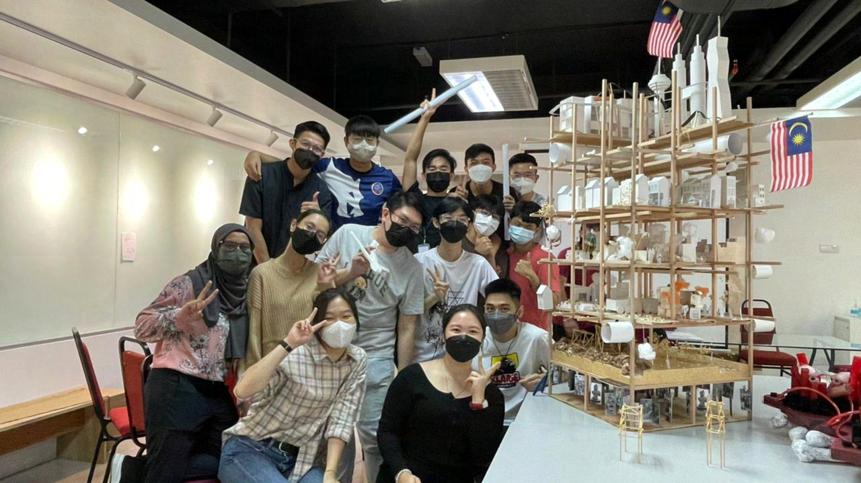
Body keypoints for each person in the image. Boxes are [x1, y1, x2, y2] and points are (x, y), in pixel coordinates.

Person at [115, 224, 255, 483]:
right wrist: (179, 317)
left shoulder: (245, 293)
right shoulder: (189, 283)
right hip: (176, 385)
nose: (238, 253)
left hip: (215, 389)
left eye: (245, 248)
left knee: (233, 459)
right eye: (230, 246)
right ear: (215, 248)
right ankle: (147, 470)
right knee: (166, 472)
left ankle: (134, 469)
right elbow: (142, 326)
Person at [315, 190, 425, 483]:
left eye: (414, 227)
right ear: (386, 213)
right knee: (329, 439)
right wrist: (351, 272)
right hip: (330, 351)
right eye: (403, 220)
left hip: (376, 358)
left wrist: (402, 374)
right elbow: (317, 285)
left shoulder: (413, 267)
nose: (407, 230)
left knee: (377, 439)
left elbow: (407, 326)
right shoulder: (348, 234)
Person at [219, 288, 367, 483]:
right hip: (252, 449)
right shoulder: (297, 353)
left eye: (346, 316)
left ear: (356, 319)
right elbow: (242, 390)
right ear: (317, 323)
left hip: (302, 462)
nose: (339, 324)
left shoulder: (357, 359)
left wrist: (330, 474)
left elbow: (342, 418)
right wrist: (288, 343)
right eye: (329, 318)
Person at [377, 304, 504, 483]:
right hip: (404, 477)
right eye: (456, 329)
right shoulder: (411, 378)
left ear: (482, 339)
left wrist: (478, 402)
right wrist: (401, 473)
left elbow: (483, 458)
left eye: (473, 331)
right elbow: (387, 431)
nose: (463, 337)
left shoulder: (491, 395)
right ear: (444, 335)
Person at [246, 115, 402, 230]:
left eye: (369, 140)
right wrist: (257, 155)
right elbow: (292, 165)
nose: (363, 144)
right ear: (346, 141)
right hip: (330, 246)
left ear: (377, 143)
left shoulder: (388, 178)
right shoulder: (328, 166)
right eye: (357, 139)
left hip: (369, 248)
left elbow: (403, 204)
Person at [244, 209, 339, 370]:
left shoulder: (320, 274)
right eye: (309, 227)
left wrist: (326, 285)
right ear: (294, 225)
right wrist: (253, 372)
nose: (312, 235)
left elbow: (330, 324)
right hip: (270, 367)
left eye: (320, 235)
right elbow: (253, 331)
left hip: (306, 369)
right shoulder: (262, 274)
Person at [414, 197, 498, 362]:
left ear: (469, 225)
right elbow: (408, 314)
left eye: (462, 219)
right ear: (436, 222)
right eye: (448, 218)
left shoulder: (478, 264)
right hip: (425, 355)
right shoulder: (419, 262)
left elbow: (498, 297)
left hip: (464, 354)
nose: (455, 223)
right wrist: (434, 297)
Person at [240, 121, 334, 263]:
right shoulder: (261, 174)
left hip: (290, 267)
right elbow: (252, 226)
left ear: (322, 154)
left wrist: (317, 217)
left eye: (317, 148)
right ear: (293, 143)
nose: (310, 151)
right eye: (305, 144)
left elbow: (321, 238)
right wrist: (268, 269)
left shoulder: (321, 191)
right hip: (252, 262)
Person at [476, 278, 550, 428]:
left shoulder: (537, 338)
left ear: (519, 312)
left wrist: (545, 383)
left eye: (504, 309)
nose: (496, 315)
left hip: (526, 421)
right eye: (490, 309)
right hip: (485, 419)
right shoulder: (477, 339)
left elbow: (566, 375)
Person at [507, 201, 562, 330]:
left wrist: (534, 279)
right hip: (507, 330)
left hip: (535, 332)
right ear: (509, 222)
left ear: (537, 229)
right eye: (517, 224)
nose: (521, 229)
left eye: (528, 227)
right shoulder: (505, 254)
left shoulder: (545, 259)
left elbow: (552, 304)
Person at [450, 143, 518, 241]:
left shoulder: (507, 192)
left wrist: (513, 210)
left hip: (501, 246)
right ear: (466, 169)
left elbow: (517, 224)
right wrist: (459, 203)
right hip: (467, 246)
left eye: (485, 162)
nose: (480, 167)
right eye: (474, 163)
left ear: (494, 167)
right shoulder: (457, 193)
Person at [464, 194, 509, 277]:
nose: (489, 220)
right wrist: (477, 253)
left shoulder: (499, 247)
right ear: (472, 213)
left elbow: (496, 282)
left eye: (495, 217)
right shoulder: (458, 239)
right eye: (484, 213)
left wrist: (490, 255)